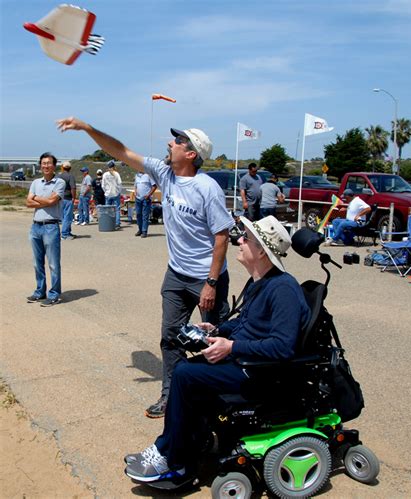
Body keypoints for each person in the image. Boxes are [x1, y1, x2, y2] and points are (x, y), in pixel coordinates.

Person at [56, 117, 235, 419]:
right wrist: (88, 128)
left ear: (191, 154)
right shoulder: (164, 174)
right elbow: (122, 151)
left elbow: (222, 236)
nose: (170, 143)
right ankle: (172, 397)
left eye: (178, 141)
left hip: (207, 279)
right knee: (170, 338)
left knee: (214, 343)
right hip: (176, 276)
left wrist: (211, 283)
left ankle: (218, 401)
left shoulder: (207, 188)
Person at [123, 215, 311, 483]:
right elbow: (246, 323)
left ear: (261, 252)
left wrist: (231, 347)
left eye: (246, 238)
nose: (239, 240)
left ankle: (174, 461)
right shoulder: (260, 281)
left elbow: (283, 346)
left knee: (186, 374)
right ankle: (175, 445)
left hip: (261, 374)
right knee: (187, 369)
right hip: (245, 362)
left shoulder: (283, 289)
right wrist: (217, 330)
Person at [26, 152, 66, 307]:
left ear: (54, 166)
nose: (46, 166)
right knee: (37, 263)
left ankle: (54, 293)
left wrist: (35, 198)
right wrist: (45, 200)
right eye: (43, 163)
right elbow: (28, 203)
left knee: (53, 264)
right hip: (35, 226)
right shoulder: (36, 182)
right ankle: (40, 291)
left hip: (50, 226)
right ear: (40, 165)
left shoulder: (59, 182)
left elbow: (52, 201)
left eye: (49, 163)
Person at [134, 171, 157, 238]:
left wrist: (149, 195)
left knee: (145, 216)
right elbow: (135, 186)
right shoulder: (137, 175)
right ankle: (140, 229)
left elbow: (154, 186)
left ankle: (144, 231)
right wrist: (135, 192)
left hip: (146, 199)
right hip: (138, 198)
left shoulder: (149, 175)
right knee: (138, 215)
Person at [57, 160, 76, 240]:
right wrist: (74, 197)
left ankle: (67, 231)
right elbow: (73, 188)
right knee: (68, 217)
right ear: (70, 168)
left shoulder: (58, 176)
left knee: (63, 216)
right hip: (68, 198)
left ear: (62, 167)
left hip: (60, 198)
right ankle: (65, 234)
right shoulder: (70, 176)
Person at [101, 160, 122, 230]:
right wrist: (119, 192)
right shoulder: (116, 174)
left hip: (108, 194)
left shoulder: (105, 174)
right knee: (117, 209)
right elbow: (120, 183)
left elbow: (103, 185)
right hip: (115, 193)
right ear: (114, 166)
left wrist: (106, 192)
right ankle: (117, 223)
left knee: (107, 209)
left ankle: (108, 222)